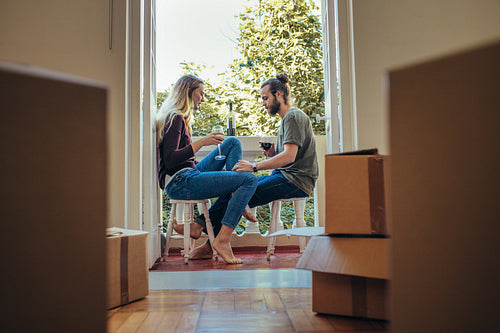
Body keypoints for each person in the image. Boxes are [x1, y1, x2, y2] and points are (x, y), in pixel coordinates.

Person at [182, 73, 319, 260]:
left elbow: (289, 156)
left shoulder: (293, 117)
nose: (263, 103)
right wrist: (272, 154)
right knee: (234, 184)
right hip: (285, 176)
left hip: (295, 180)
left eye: (265, 98)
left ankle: (208, 236)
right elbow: (289, 155)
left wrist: (254, 166)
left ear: (278, 94)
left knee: (239, 189)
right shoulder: (288, 119)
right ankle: (209, 238)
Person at [156, 74, 258, 264]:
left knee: (232, 142)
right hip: (180, 181)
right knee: (249, 179)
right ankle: (223, 239)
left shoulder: (179, 119)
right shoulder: (175, 118)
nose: (203, 99)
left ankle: (200, 224)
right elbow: (170, 161)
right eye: (200, 94)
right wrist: (202, 142)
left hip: (189, 173)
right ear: (188, 92)